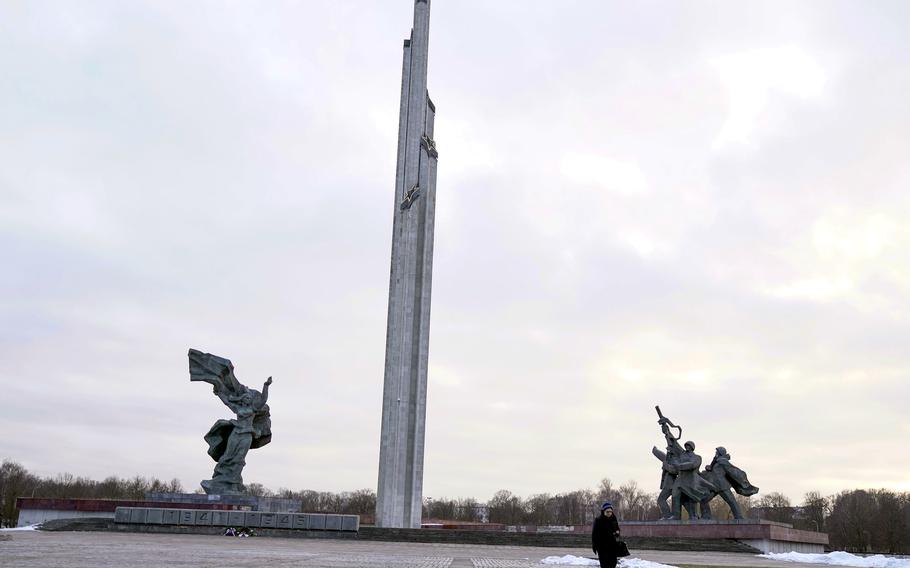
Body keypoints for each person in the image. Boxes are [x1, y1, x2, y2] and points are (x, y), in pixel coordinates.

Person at [591, 502, 621, 568]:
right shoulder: (598, 520)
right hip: (602, 547)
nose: (609, 513)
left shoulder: (614, 519)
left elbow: (617, 529)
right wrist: (594, 546)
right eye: (607, 512)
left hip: (612, 547)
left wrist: (617, 533)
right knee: (605, 565)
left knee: (613, 563)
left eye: (610, 511)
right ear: (603, 511)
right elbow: (594, 534)